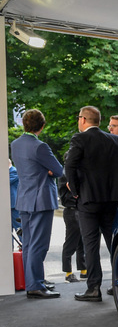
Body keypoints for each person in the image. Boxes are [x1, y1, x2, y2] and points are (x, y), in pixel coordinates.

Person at [65, 106, 118, 302]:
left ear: (83, 119)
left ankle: (93, 288)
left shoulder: (79, 139)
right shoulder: (115, 140)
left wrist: (75, 191)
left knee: (91, 245)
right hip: (111, 199)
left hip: (88, 200)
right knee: (114, 243)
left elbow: (69, 165)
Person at [10, 109, 63, 299]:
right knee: (39, 245)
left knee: (29, 244)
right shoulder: (40, 147)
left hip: (24, 199)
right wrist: (47, 171)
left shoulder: (15, 144)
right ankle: (35, 285)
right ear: (42, 126)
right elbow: (58, 170)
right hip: (41, 200)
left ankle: (34, 280)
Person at [58, 151, 86, 283]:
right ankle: (68, 273)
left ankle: (83, 270)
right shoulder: (67, 173)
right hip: (72, 210)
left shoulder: (67, 172)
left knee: (80, 241)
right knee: (72, 242)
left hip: (75, 210)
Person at [9, 159, 21, 236]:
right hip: (9, 203)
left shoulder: (14, 171)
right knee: (7, 227)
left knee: (18, 226)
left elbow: (6, 182)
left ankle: (23, 244)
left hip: (13, 204)